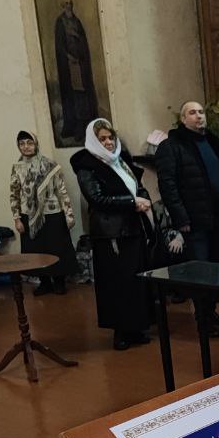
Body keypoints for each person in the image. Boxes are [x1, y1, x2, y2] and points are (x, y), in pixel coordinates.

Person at [71, 118, 153, 351]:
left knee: (135, 279)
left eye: (110, 138)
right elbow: (97, 199)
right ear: (93, 141)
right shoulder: (87, 166)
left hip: (132, 228)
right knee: (117, 282)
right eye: (102, 139)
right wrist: (131, 202)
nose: (108, 142)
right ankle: (121, 331)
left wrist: (143, 197)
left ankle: (136, 327)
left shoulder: (120, 160)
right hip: (110, 234)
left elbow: (136, 185)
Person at [156, 101, 219, 330]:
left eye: (201, 112)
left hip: (217, 217)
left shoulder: (212, 141)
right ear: (183, 119)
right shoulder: (172, 146)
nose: (199, 116)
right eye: (192, 113)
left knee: (216, 267)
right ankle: (202, 318)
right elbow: (168, 186)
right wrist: (181, 219)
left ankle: (210, 310)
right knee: (200, 270)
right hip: (194, 220)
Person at [9, 130, 76, 295]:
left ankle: (59, 282)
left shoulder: (50, 165)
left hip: (52, 214)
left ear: (36, 144)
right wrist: (17, 218)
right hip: (29, 216)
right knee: (36, 251)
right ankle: (44, 283)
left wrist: (68, 214)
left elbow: (61, 190)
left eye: (29, 143)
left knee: (57, 249)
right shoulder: (17, 167)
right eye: (22, 144)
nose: (26, 147)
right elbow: (14, 194)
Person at [53, 0, 100, 140]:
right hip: (69, 66)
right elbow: (59, 45)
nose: (69, 6)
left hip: (80, 65)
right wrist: (69, 56)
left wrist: (78, 43)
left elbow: (82, 41)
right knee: (73, 96)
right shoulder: (60, 22)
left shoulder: (77, 22)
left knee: (83, 96)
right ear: (63, 5)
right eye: (66, 3)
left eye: (70, 3)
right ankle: (74, 128)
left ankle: (86, 127)